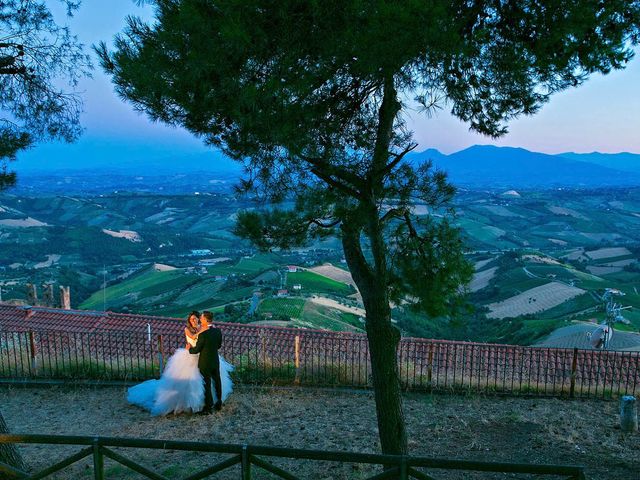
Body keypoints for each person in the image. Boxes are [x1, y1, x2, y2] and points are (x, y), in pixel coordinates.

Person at [127, 311, 233, 415]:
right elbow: (200, 340)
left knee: (208, 383)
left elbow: (201, 345)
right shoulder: (196, 330)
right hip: (196, 358)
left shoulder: (205, 330)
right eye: (192, 319)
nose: (195, 320)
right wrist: (191, 346)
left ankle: (209, 405)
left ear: (202, 319)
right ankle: (211, 403)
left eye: (197, 318)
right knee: (209, 381)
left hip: (203, 359)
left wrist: (194, 344)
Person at [189, 311, 224, 414]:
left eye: (201, 318)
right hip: (215, 361)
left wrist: (189, 349)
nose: (200, 319)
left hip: (205, 363)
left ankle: (208, 408)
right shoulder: (218, 331)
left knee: (207, 384)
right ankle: (219, 403)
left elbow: (196, 350)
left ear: (205, 319)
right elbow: (218, 346)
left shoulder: (203, 335)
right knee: (217, 381)